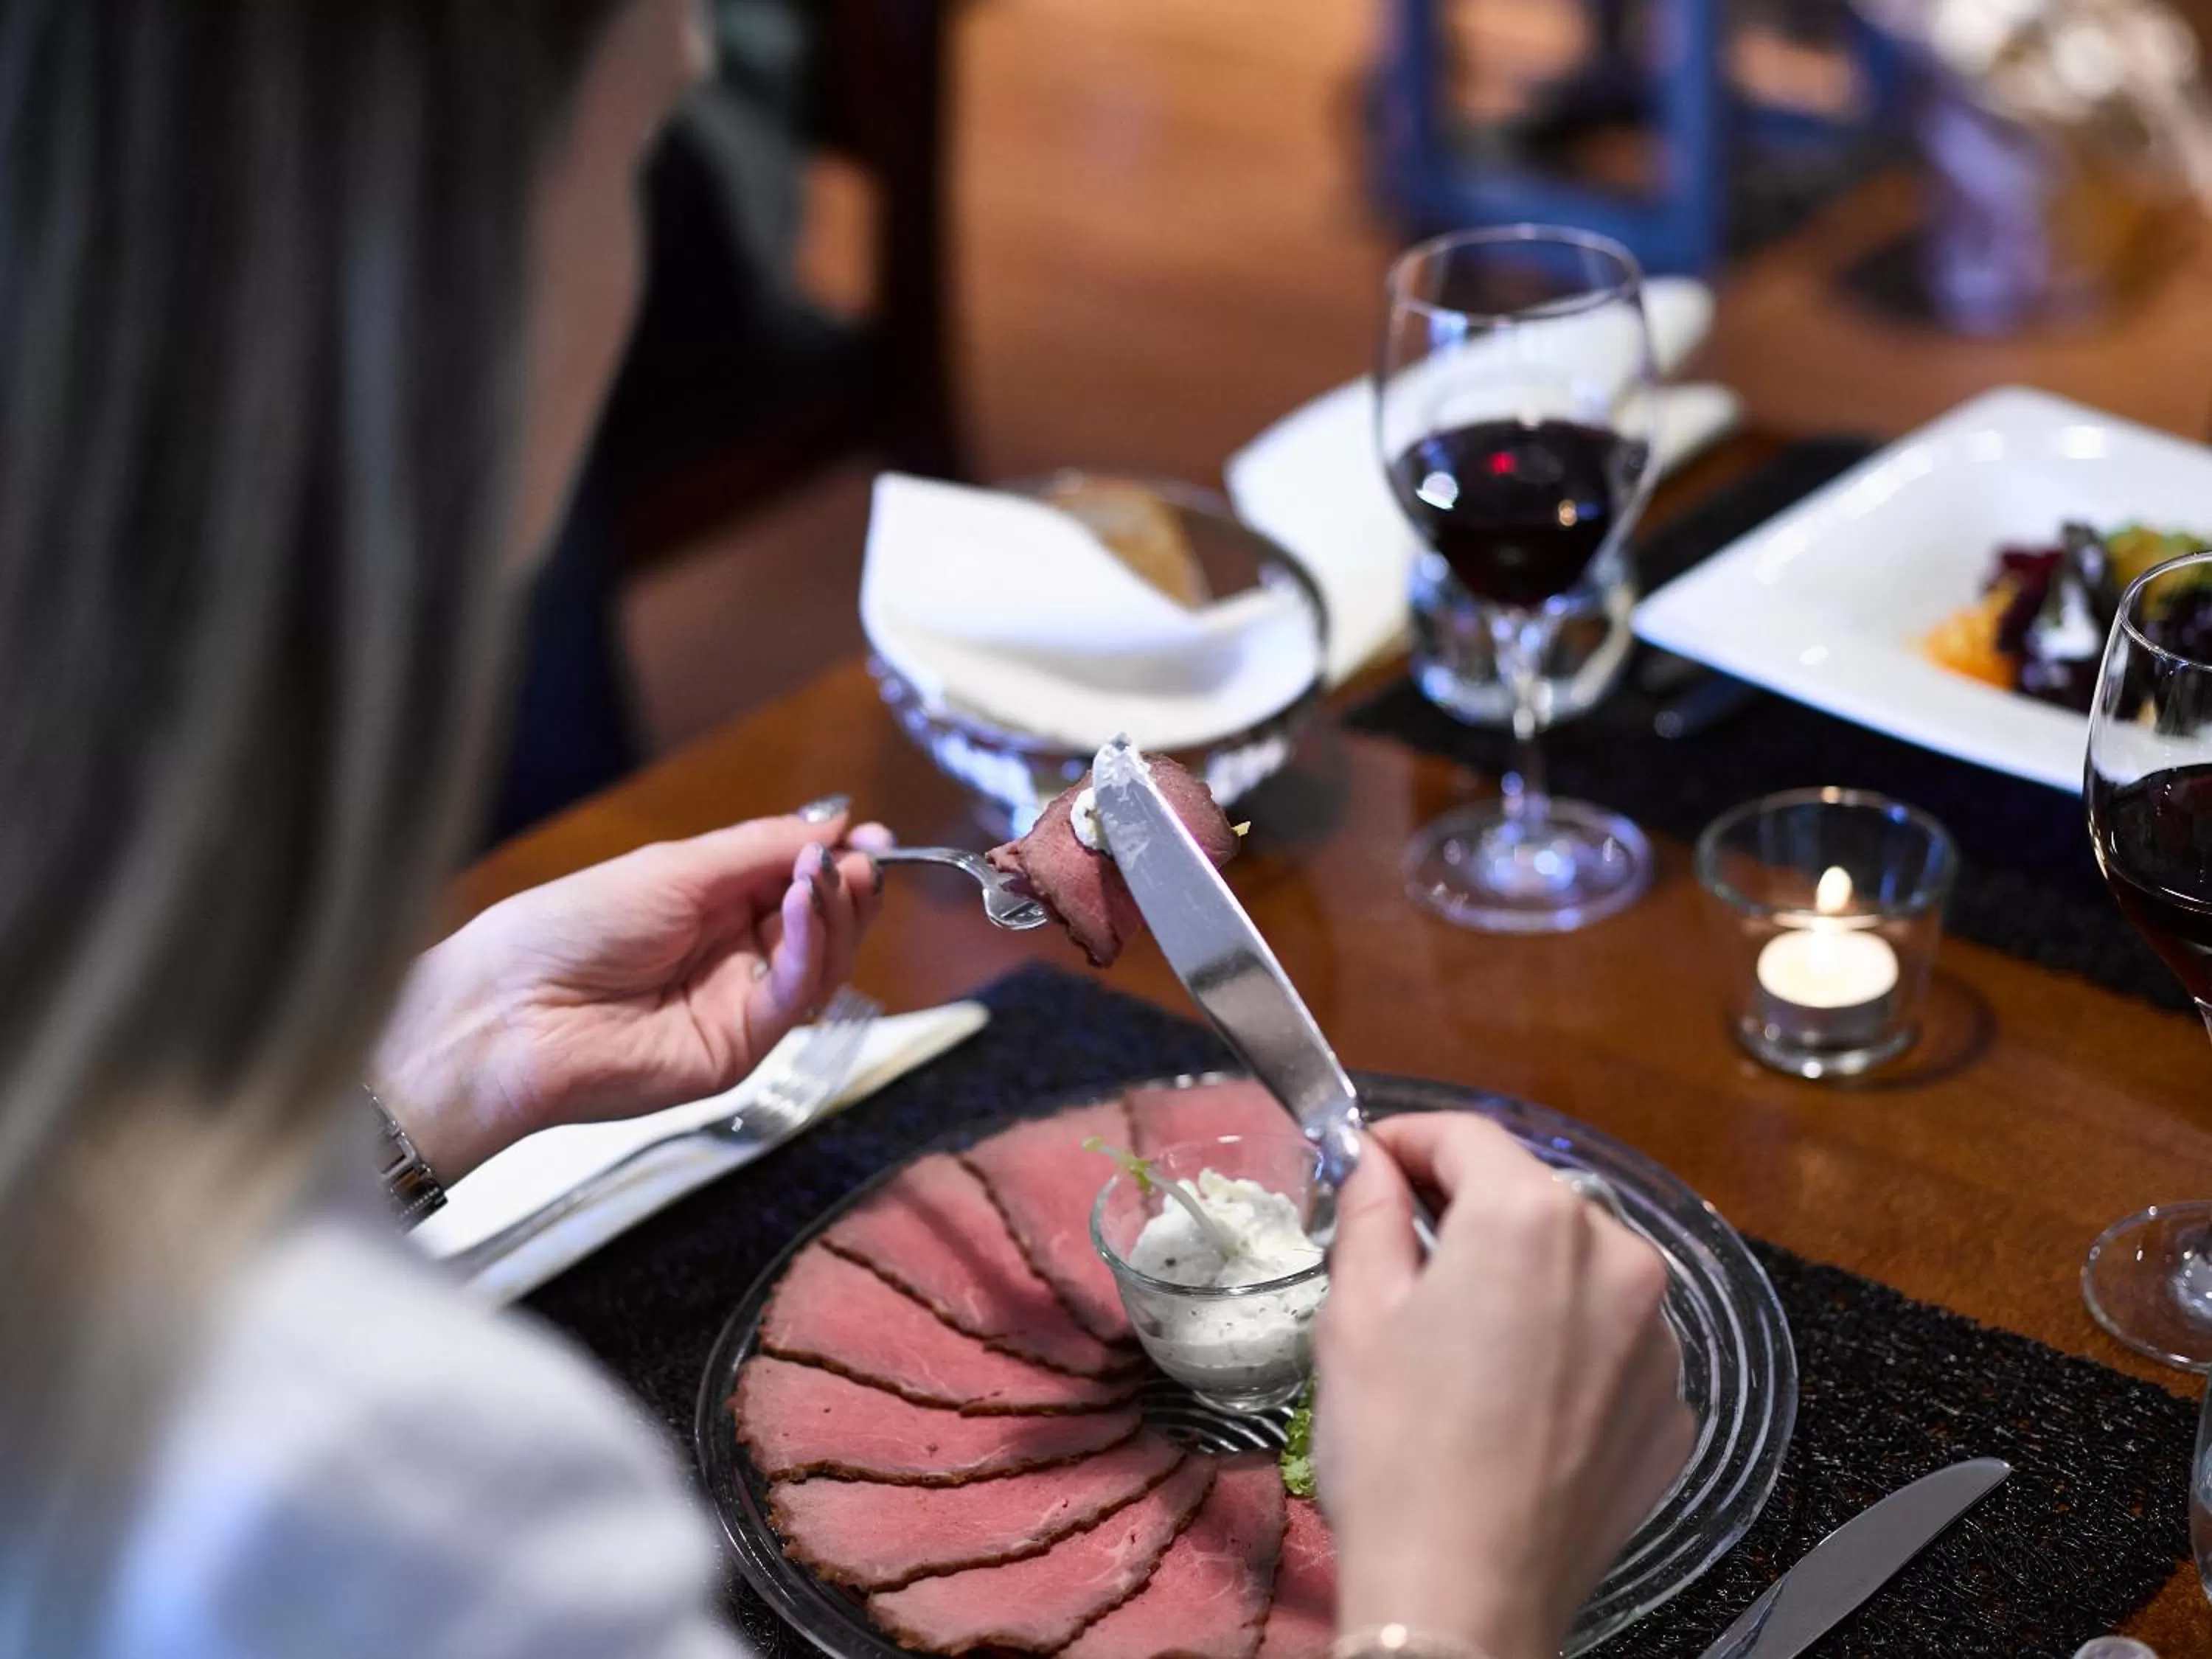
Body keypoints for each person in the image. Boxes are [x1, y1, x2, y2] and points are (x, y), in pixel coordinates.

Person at [0, 3, 1691, 1658]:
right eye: (645, 144)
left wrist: (435, 1073)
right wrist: (1458, 1590)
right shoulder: (391, 1502)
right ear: (445, 287)